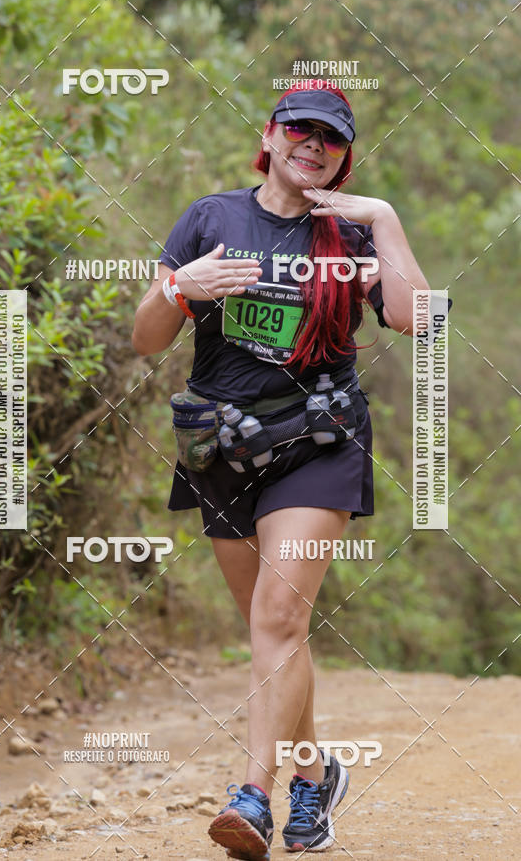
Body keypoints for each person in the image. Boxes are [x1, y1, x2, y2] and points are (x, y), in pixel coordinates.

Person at [132, 80, 429, 859]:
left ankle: (253, 796)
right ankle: (315, 774)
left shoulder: (351, 233)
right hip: (221, 447)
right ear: (269, 136)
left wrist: (387, 223)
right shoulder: (212, 218)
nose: (313, 145)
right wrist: (177, 286)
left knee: (279, 620)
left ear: (343, 160)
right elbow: (143, 339)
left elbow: (417, 319)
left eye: (330, 139)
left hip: (317, 446)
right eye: (300, 130)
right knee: (271, 636)